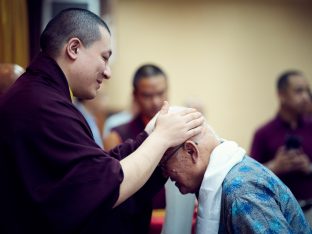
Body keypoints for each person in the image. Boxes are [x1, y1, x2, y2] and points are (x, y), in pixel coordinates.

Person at [0, 8, 204, 234]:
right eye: (104, 58)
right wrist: (161, 138)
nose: (108, 73)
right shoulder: (40, 103)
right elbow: (102, 185)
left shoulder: (43, 95)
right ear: (74, 48)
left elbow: (94, 167)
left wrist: (147, 137)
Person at [158, 107, 311, 234]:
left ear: (191, 151)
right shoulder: (227, 174)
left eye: (164, 163)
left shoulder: (241, 193)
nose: (164, 174)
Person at [104, 64, 195, 234]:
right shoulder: (116, 135)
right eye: (147, 95)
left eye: (160, 93)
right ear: (135, 95)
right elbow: (112, 191)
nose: (155, 101)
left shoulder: (180, 132)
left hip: (174, 219)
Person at [250, 70, 312, 224]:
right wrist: (275, 166)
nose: (305, 96)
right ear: (281, 95)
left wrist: (309, 167)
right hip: (277, 215)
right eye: (298, 91)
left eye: (307, 90)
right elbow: (250, 176)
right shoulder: (263, 133)